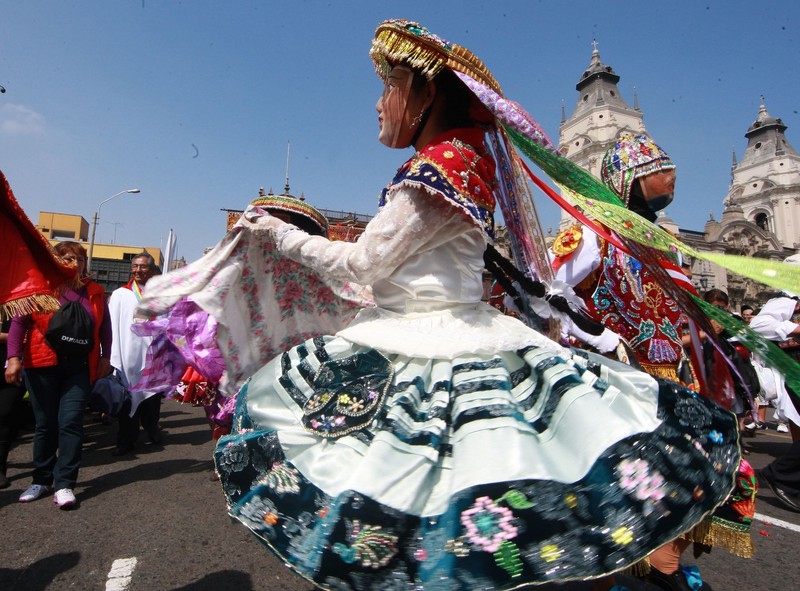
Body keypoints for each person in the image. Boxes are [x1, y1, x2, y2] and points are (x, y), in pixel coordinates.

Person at [141, 20, 740, 590]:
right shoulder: (463, 160)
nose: (379, 103)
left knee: (413, 498)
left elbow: (362, 264)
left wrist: (276, 235)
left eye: (390, 87)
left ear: (426, 92)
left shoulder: (442, 164)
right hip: (447, 332)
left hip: (433, 343)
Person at [5, 241, 111, 508]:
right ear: (55, 260)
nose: (73, 264)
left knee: (71, 422)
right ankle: (41, 479)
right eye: (66, 258)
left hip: (78, 367)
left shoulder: (95, 291)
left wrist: (106, 357)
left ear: (85, 263)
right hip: (41, 364)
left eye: (79, 259)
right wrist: (13, 358)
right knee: (45, 425)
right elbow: (18, 323)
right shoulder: (39, 288)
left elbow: (105, 329)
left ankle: (64, 484)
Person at [108, 253, 163, 456]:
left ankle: (151, 428)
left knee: (152, 398)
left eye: (143, 267)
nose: (138, 270)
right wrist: (112, 354)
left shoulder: (160, 294)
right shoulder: (120, 294)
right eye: (135, 266)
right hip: (127, 352)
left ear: (151, 269)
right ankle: (126, 440)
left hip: (153, 352)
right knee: (128, 399)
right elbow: (112, 326)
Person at [0, 316, 26, 488]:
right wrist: (13, 337)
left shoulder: (21, 297)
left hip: (14, 363)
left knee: (5, 413)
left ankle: (0, 466)